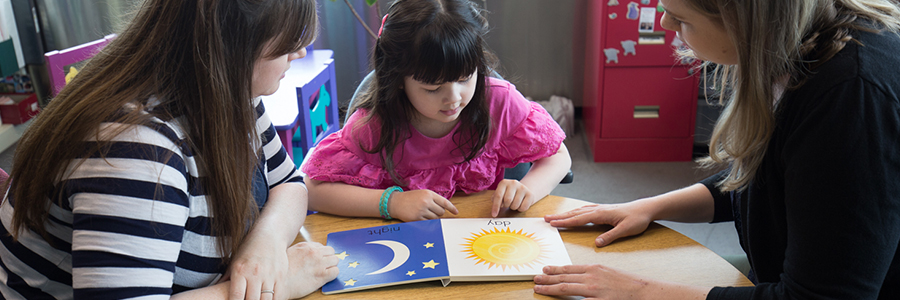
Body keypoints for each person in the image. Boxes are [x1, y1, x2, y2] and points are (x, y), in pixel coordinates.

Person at [533, 0, 900, 299]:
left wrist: (637, 291)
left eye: (680, 18)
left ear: (743, 20)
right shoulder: (797, 44)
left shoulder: (850, 102)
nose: (663, 23)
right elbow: (776, 179)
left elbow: (821, 296)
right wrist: (649, 207)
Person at [0, 0, 339, 299]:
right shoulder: (133, 150)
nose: (300, 51)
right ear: (231, 41)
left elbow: (289, 184)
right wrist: (275, 286)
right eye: (289, 39)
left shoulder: (228, 92)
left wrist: (263, 248)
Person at [301, 0, 571, 222]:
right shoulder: (375, 125)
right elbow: (311, 189)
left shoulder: (498, 102)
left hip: (481, 235)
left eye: (465, 78)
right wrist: (392, 203)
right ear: (398, 80)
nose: (454, 98)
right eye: (432, 89)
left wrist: (527, 189)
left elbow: (559, 156)